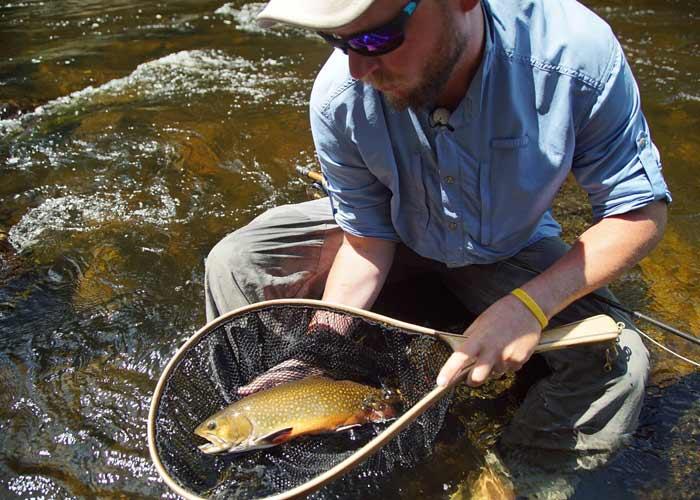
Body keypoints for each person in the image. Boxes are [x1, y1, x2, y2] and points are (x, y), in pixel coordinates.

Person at [205, 0, 670, 459]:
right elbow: (366, 242)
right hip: (396, 233)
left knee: (619, 362)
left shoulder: (574, 55)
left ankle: (519, 478)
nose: (357, 68)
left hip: (505, 250)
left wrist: (529, 306)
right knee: (238, 262)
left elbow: (639, 211)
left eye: (376, 38)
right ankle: (262, 429)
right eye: (336, 39)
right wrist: (323, 343)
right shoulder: (338, 97)